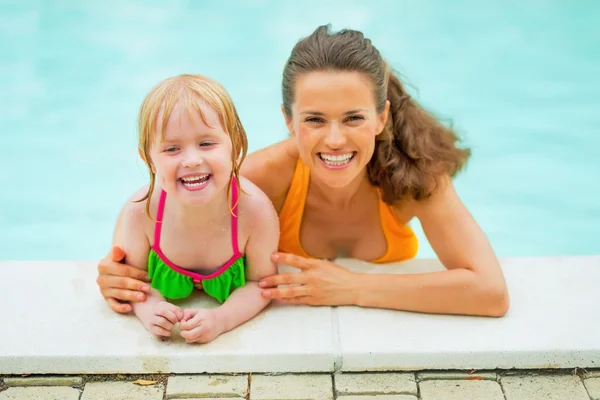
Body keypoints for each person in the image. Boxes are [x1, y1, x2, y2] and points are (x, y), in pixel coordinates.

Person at [97, 25, 509, 317]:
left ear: (382, 117)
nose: (333, 140)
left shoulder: (413, 178)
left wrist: (355, 289)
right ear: (288, 120)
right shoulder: (260, 180)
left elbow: (491, 292)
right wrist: (121, 279)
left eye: (353, 118)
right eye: (314, 120)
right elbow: (166, 220)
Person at [117, 74, 279, 343]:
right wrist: (151, 311)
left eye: (206, 143)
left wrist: (221, 319)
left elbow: (259, 284)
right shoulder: (142, 213)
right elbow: (136, 282)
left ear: (235, 146)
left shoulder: (255, 213)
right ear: (149, 159)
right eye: (172, 149)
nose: (192, 160)